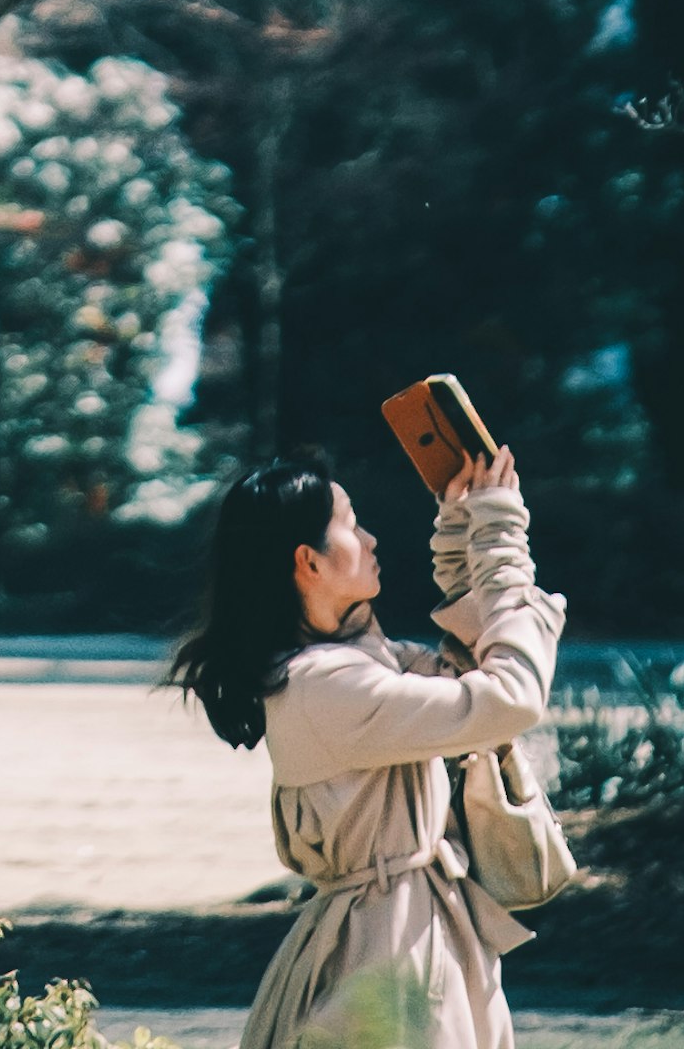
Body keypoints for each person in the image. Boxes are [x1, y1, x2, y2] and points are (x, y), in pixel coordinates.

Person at [171, 446, 562, 1049]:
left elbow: (469, 675)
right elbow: (508, 698)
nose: (372, 538)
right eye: (351, 523)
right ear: (310, 562)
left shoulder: (355, 665)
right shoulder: (324, 685)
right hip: (386, 950)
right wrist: (501, 538)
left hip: (405, 931)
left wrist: (465, 533)